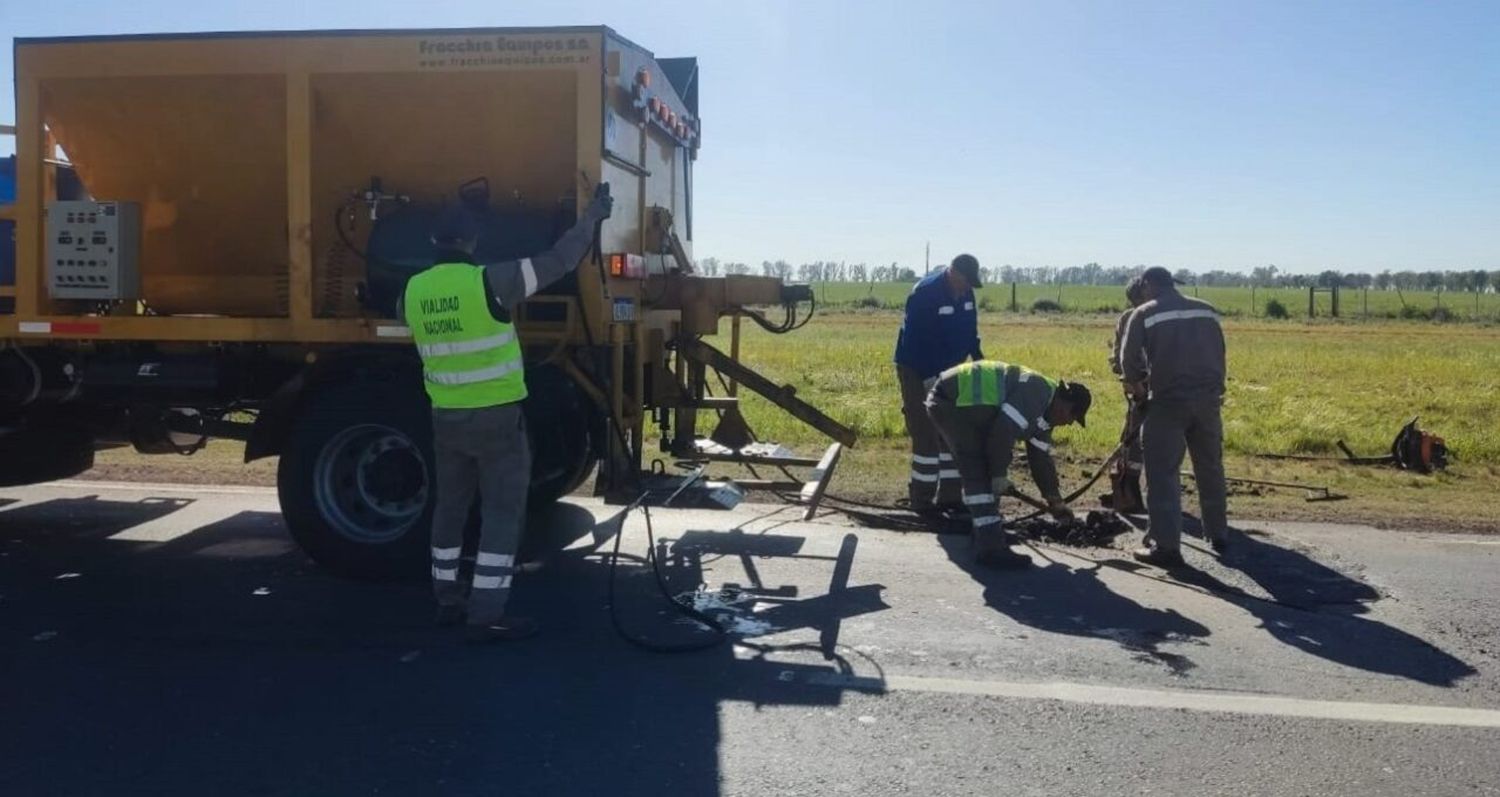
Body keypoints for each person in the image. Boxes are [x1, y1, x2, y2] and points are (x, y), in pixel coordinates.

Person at [401, 183, 614, 642]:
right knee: (501, 514)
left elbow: (410, 320)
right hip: (496, 420)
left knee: (450, 509)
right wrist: (593, 217)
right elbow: (559, 261)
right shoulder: (491, 281)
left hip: (446, 419)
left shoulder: (412, 292)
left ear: (435, 243)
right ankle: (487, 612)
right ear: (471, 242)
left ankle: (446, 598)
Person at [925, 360, 1092, 568]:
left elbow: (1040, 460)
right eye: (1072, 416)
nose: (1069, 423)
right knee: (978, 468)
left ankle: (988, 532)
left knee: (987, 465)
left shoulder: (1045, 417)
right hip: (952, 400)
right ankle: (990, 548)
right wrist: (998, 476)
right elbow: (1002, 434)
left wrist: (1055, 501)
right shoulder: (1037, 393)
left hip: (969, 408)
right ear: (1064, 404)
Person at [1118, 266, 1228, 567]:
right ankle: (1218, 532)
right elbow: (1220, 352)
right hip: (1208, 402)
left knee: (1162, 473)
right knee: (1210, 467)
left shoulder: (1143, 313)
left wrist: (1139, 392)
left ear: (1148, 286)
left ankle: (1166, 547)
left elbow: (1127, 363)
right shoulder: (1207, 311)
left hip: (1167, 403)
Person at [893, 254, 984, 515]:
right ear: (953, 273)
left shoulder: (966, 294)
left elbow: (970, 332)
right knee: (926, 435)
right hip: (917, 369)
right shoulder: (925, 293)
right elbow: (914, 341)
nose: (967, 289)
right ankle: (921, 501)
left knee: (953, 433)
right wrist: (928, 379)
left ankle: (950, 498)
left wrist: (978, 359)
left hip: (952, 371)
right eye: (965, 282)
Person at [1106, 277, 1149, 513]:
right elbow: (1119, 355)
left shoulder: (1133, 318)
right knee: (1132, 439)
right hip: (1140, 389)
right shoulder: (1130, 319)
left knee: (1138, 439)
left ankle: (1129, 488)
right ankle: (1126, 488)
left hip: (1149, 387)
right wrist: (1131, 378)